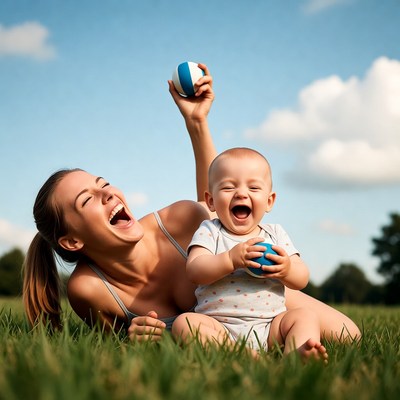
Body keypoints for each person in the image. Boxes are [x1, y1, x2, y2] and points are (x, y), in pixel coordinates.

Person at [22, 63, 360, 346]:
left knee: (349, 337)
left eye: (104, 184)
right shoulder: (90, 288)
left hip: (254, 304)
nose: (107, 194)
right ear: (71, 241)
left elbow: (219, 208)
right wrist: (134, 336)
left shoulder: (179, 221)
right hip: (209, 334)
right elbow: (115, 342)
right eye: (88, 200)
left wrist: (197, 121)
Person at [172, 148, 328, 360]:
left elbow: (301, 278)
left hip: (270, 325)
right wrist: (230, 259)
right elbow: (195, 270)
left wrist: (287, 269)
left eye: (254, 187)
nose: (241, 193)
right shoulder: (210, 230)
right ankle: (242, 354)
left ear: (269, 201)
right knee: (185, 324)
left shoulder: (275, 233)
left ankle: (297, 354)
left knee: (305, 315)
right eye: (228, 187)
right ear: (210, 201)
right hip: (219, 326)